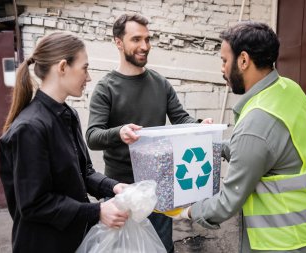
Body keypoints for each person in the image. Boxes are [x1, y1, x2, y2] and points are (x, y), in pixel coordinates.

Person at [170, 22, 306, 252]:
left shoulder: (257, 122)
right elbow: (268, 149)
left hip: (284, 242)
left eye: (224, 60)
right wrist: (216, 146)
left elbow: (227, 202)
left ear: (243, 60)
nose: (222, 69)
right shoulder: (288, 89)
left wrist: (187, 212)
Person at [85, 13, 212, 253]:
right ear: (118, 42)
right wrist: (119, 132)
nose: (145, 46)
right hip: (121, 191)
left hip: (158, 190)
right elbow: (92, 136)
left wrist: (199, 124)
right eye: (136, 39)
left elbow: (180, 119)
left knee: (161, 248)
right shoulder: (106, 88)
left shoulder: (160, 83)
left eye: (147, 39)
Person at [0, 32, 129, 253]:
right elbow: (35, 203)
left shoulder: (68, 115)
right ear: (62, 67)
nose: (88, 78)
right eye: (85, 68)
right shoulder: (30, 128)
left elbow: (84, 171)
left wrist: (114, 186)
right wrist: (97, 211)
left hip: (72, 240)